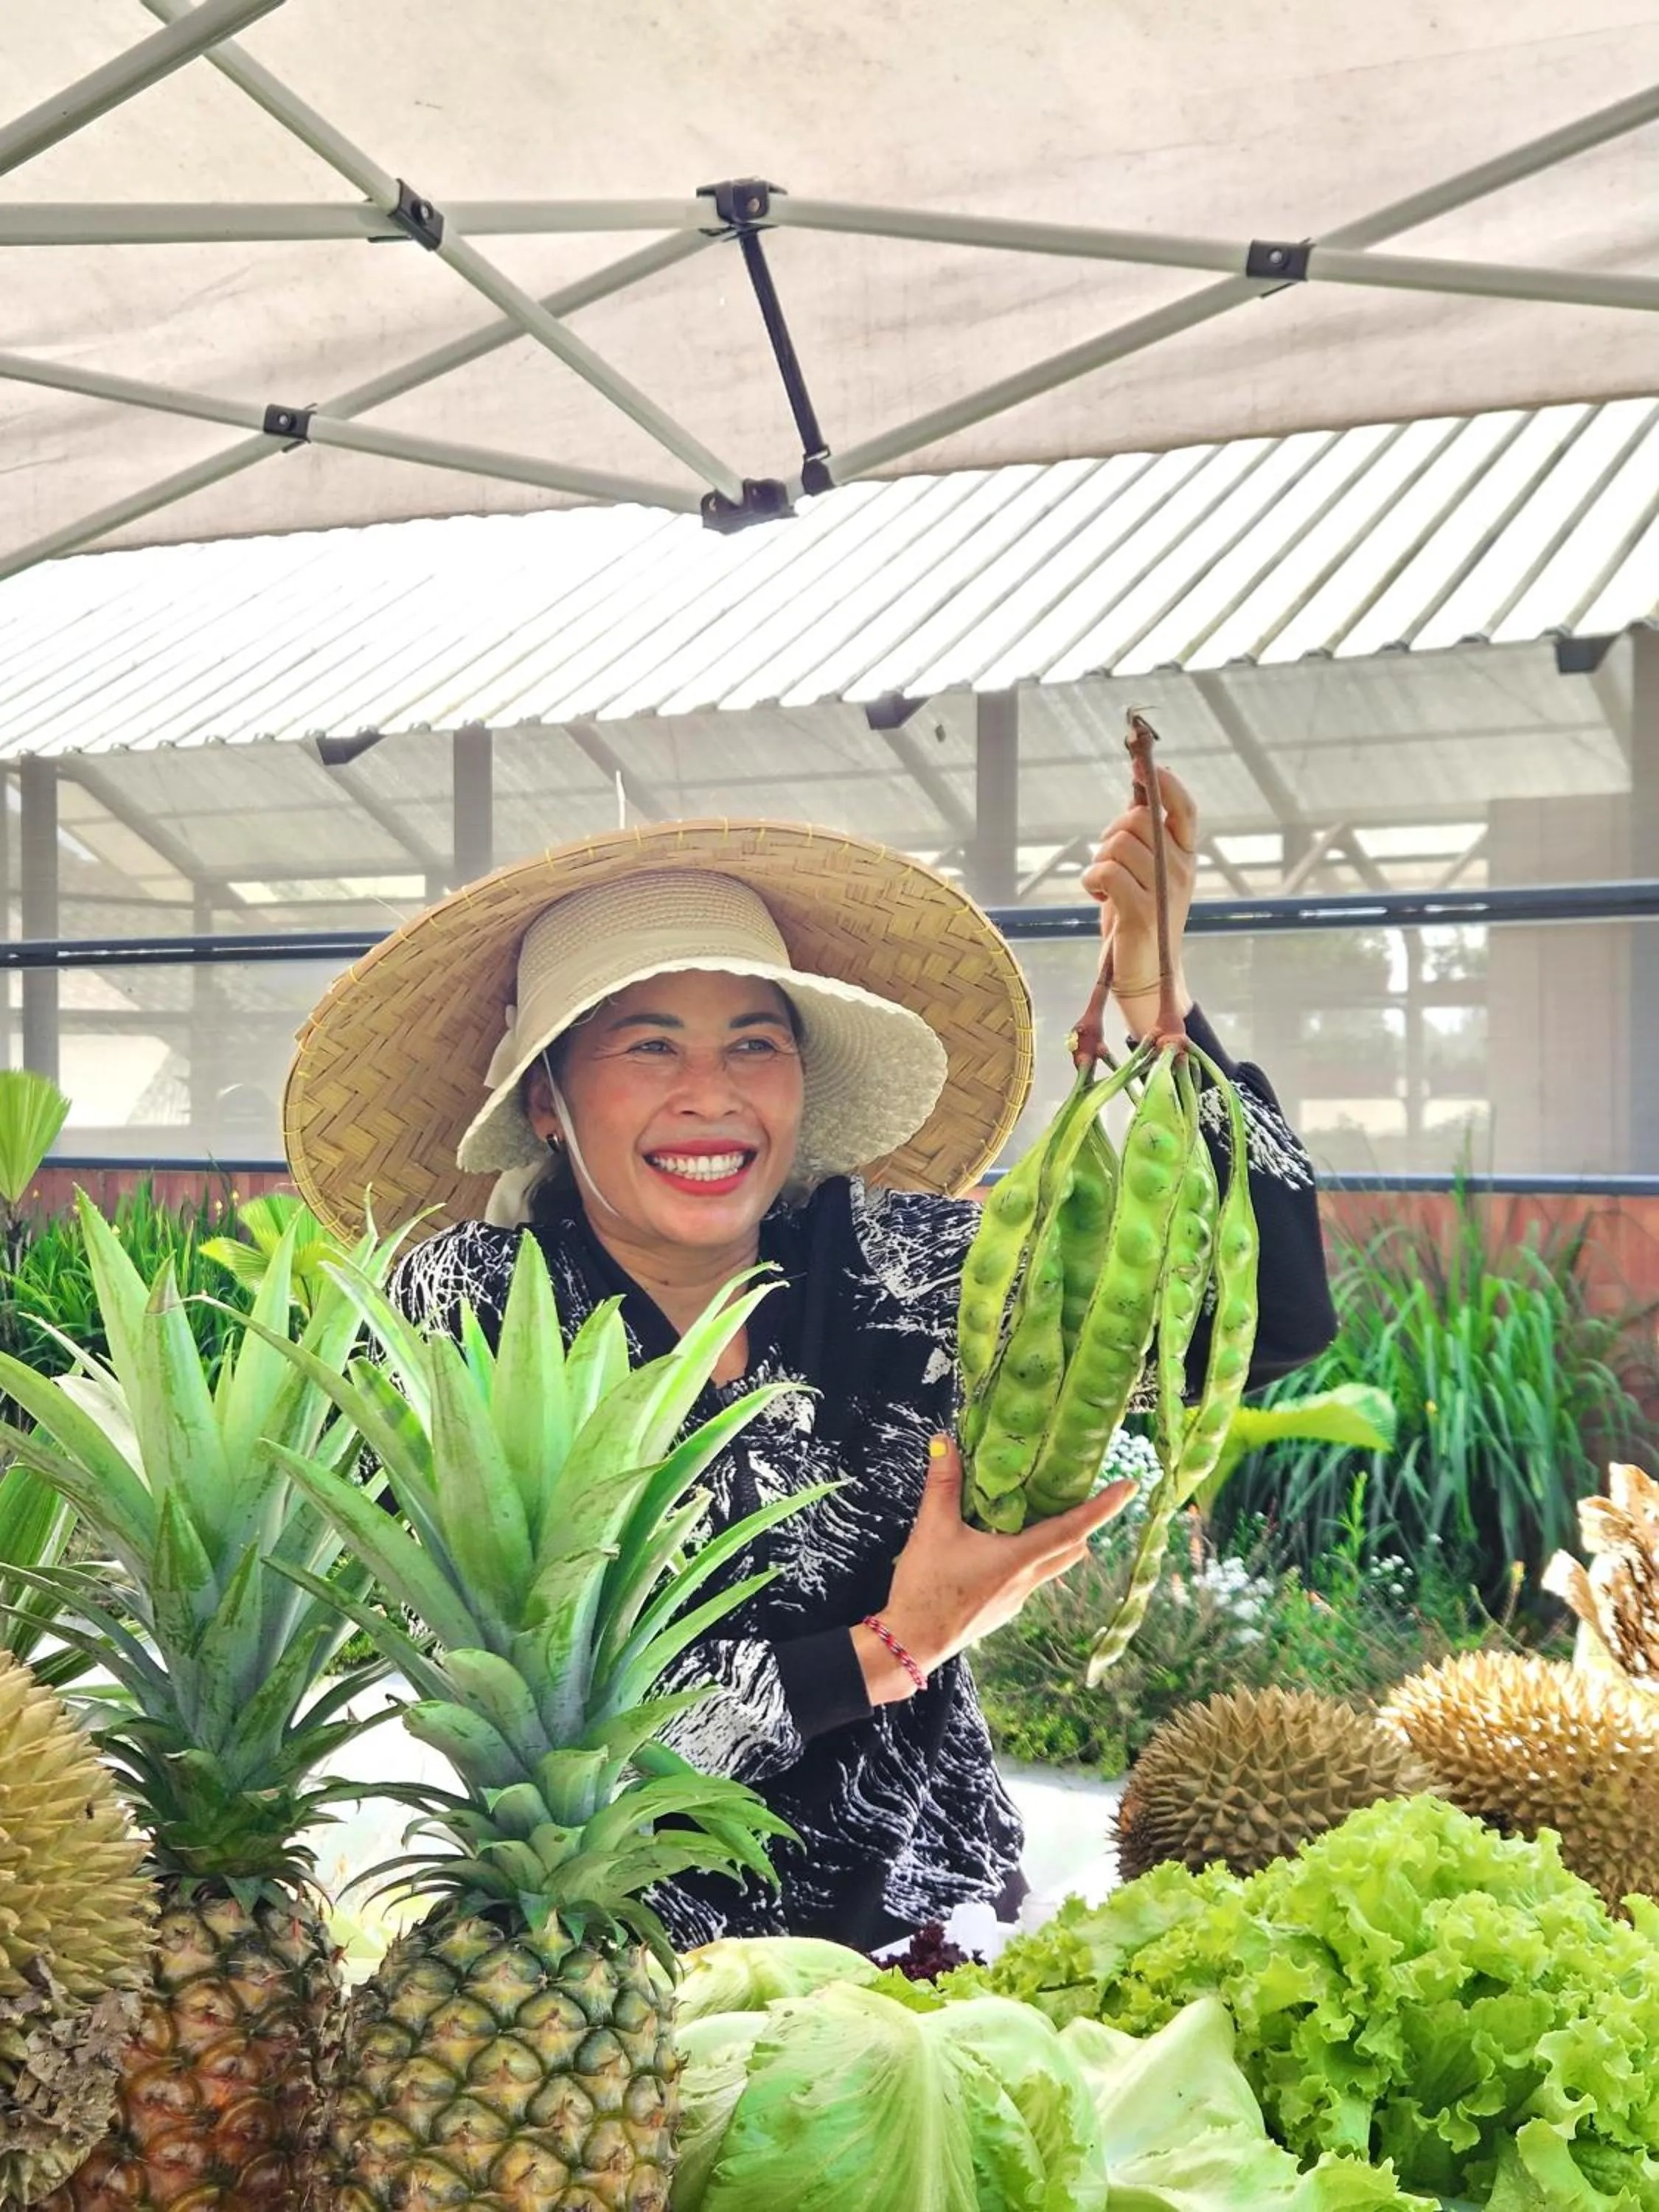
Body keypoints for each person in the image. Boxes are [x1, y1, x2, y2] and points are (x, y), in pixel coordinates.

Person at [284, 778, 1336, 1952]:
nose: (712, 1095)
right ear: (545, 1098)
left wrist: (1158, 1002)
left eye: (755, 1043)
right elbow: (502, 1701)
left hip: (924, 1935)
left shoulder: (906, 1264)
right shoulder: (458, 1310)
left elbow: (1266, 1323)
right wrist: (891, 1649)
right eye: (650, 1046)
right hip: (585, 1969)